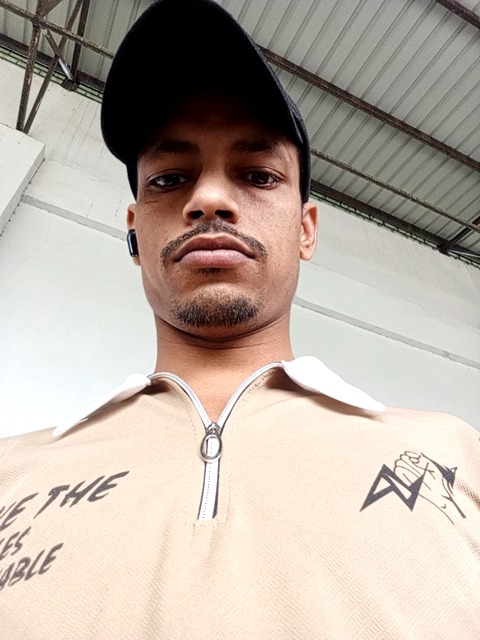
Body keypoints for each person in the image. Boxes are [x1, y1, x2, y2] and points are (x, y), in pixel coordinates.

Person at [1, 1, 479, 637]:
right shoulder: (10, 473)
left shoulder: (456, 457)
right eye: (170, 179)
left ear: (306, 229)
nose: (209, 198)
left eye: (257, 174)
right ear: (135, 230)